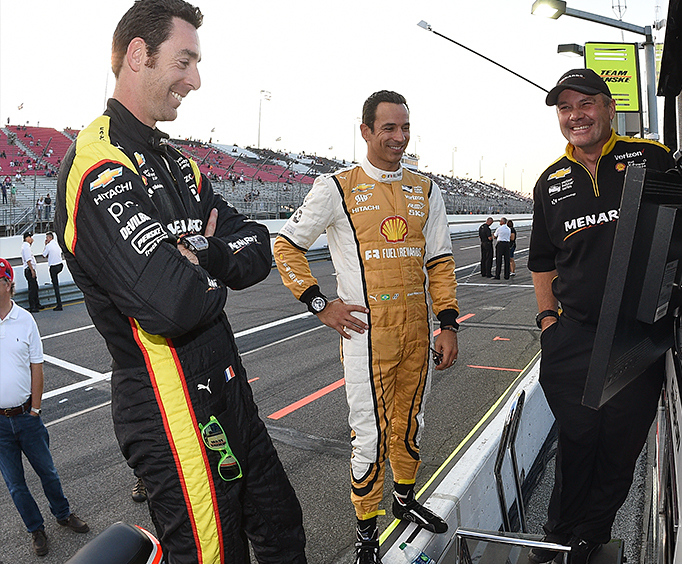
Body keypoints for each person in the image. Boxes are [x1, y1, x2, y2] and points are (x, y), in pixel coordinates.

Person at [53, 1, 306, 562]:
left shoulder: (178, 166)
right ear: (139, 55)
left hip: (229, 390)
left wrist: (201, 254)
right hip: (171, 413)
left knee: (285, 533)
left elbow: (256, 246)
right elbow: (174, 304)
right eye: (185, 61)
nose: (197, 79)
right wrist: (212, 270)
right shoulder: (97, 166)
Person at [274, 90, 459, 564]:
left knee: (411, 424)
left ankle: (403, 497)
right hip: (364, 337)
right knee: (370, 436)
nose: (399, 138)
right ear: (365, 131)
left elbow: (439, 262)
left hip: (416, 332)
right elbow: (286, 245)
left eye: (405, 128)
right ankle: (365, 532)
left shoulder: (427, 189)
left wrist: (448, 323)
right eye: (389, 129)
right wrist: (321, 304)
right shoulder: (335, 187)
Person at [528, 68, 673, 563]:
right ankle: (558, 535)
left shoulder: (651, 158)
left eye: (586, 103)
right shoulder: (551, 181)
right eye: (566, 108)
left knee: (618, 448)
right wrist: (549, 324)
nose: (576, 116)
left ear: (609, 107)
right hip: (574, 338)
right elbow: (541, 262)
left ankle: (592, 534)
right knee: (577, 442)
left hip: (636, 337)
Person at [0, 257, 89, 557]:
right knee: (15, 485)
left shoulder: (25, 319)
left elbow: (37, 367)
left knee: (47, 472)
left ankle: (62, 514)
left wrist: (35, 410)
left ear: (9, 285)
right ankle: (35, 529)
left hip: (26, 415)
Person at [42, 232, 63, 311]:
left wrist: (45, 245)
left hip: (53, 266)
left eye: (47, 237)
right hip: (60, 265)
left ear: (50, 238)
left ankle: (59, 304)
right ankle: (59, 303)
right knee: (56, 282)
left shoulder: (48, 245)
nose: (46, 239)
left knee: (55, 286)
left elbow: (44, 255)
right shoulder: (56, 244)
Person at [21, 232, 41, 313]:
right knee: (32, 288)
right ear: (27, 238)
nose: (31, 239)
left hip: (30, 269)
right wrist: (32, 270)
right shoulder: (26, 247)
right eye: (30, 237)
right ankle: (33, 306)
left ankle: (37, 304)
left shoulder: (26, 246)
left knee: (35, 287)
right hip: (29, 269)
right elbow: (28, 260)